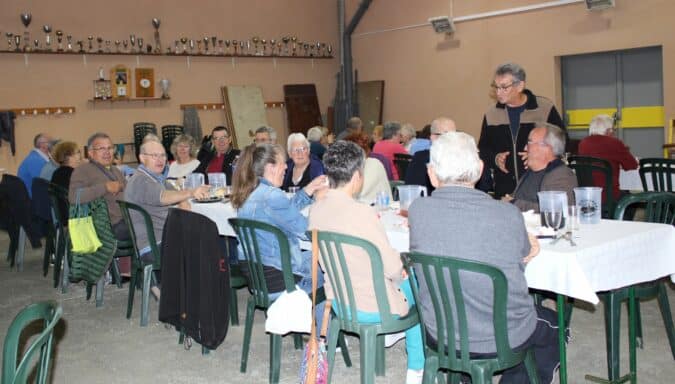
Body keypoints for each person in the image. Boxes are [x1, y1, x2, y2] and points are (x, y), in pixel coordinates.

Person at [408, 132, 559, 383]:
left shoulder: (417, 210)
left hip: (440, 331)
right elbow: (523, 253)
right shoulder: (507, 215)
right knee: (553, 322)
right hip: (501, 335)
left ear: (432, 174)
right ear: (479, 170)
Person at [309, 140, 424, 384]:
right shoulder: (363, 213)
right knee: (417, 283)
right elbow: (392, 267)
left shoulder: (316, 210)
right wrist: (402, 272)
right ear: (358, 176)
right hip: (374, 305)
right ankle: (417, 368)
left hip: (340, 301)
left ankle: (395, 335)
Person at [230, 143, 327, 326]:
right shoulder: (272, 196)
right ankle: (325, 335)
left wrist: (309, 189)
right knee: (327, 261)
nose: (286, 167)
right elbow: (308, 231)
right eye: (283, 163)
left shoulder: (250, 193)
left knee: (315, 258)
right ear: (270, 167)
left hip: (257, 276)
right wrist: (319, 203)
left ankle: (307, 321)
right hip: (279, 278)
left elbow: (283, 212)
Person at [478, 62, 565, 198]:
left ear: (520, 86)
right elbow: (483, 149)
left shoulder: (544, 109)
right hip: (505, 188)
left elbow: (562, 143)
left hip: (539, 185)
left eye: (504, 87)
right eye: (496, 87)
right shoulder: (491, 114)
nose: (498, 92)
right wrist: (495, 158)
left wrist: (539, 152)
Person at [125, 140, 210, 262]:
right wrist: (190, 192)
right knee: (208, 237)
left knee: (204, 233)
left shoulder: (157, 178)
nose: (160, 160)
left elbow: (175, 193)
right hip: (155, 245)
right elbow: (163, 197)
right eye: (155, 155)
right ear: (142, 158)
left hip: (164, 237)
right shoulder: (141, 180)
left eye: (163, 155)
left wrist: (182, 199)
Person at [69, 133, 130, 241]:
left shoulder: (115, 170)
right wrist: (105, 187)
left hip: (126, 219)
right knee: (152, 227)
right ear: (91, 153)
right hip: (107, 227)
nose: (107, 152)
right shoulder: (82, 170)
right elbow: (74, 197)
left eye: (110, 148)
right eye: (101, 148)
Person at [505, 123, 577, 212]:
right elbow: (514, 198)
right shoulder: (530, 172)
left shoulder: (562, 175)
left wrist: (514, 203)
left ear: (545, 147)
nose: (525, 148)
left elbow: (558, 211)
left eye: (529, 142)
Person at [578, 114, 638, 201]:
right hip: (609, 195)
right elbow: (632, 165)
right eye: (613, 130)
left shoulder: (582, 144)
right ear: (609, 131)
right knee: (631, 200)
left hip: (589, 195)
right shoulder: (614, 143)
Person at [405, 117, 456, 192]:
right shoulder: (421, 159)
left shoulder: (460, 160)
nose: (453, 140)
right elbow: (412, 189)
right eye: (447, 136)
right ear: (433, 137)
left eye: (454, 136)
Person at [344, 132, 392, 204]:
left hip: (377, 208)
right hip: (368, 207)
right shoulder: (370, 163)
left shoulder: (373, 165)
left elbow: (355, 193)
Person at [50, 141, 82, 224]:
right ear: (69, 157)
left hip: (63, 216)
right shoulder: (74, 175)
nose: (80, 156)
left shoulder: (57, 173)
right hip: (77, 218)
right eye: (78, 152)